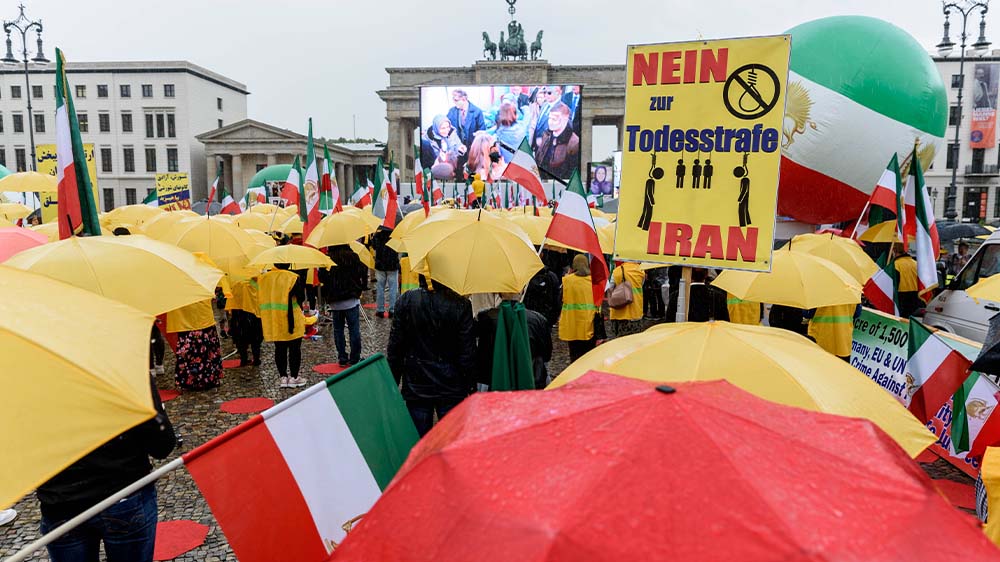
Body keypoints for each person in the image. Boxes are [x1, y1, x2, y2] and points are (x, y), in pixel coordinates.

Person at [37, 374, 175, 562]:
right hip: (124, 494)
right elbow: (162, 444)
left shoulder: (31, 377)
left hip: (61, 502)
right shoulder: (119, 367)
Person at [388, 276, 475, 436]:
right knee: (450, 442)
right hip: (451, 386)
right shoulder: (461, 305)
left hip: (417, 383)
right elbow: (467, 353)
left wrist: (392, 382)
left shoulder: (406, 301)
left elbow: (396, 348)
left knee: (418, 443)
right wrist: (470, 386)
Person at [474, 293, 553, 389]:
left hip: (495, 380)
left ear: (499, 294)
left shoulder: (486, 318)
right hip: (533, 379)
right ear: (521, 292)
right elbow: (546, 354)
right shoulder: (538, 319)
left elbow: (482, 354)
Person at [259, 263, 306, 388]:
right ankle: (294, 377)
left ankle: (283, 377)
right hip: (292, 318)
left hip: (274, 318)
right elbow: (301, 297)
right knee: (295, 349)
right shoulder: (293, 277)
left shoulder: (265, 278)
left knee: (280, 348)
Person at [321, 244, 365, 366]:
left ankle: (342, 357)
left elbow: (322, 278)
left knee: (338, 330)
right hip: (351, 298)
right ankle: (355, 357)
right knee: (354, 329)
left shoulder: (327, 259)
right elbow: (361, 272)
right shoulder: (353, 257)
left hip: (335, 300)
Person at [165, 298, 223, 391]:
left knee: (191, 351)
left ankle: (191, 380)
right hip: (198, 316)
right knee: (204, 349)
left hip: (188, 316)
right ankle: (207, 379)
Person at [560, 255, 599, 361]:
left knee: (574, 355)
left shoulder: (567, 280)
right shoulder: (593, 281)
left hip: (572, 324)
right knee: (588, 356)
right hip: (588, 324)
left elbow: (561, 298)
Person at [536, 102, 580, 180]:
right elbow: (538, 159)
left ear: (565, 119)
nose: (550, 122)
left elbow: (572, 175)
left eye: (554, 119)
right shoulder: (546, 135)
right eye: (549, 118)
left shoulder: (574, 143)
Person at [227, 277, 263, 367]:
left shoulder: (235, 283)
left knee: (240, 338)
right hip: (253, 313)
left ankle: (244, 359)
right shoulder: (255, 281)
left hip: (238, 314)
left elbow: (231, 301)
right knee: (256, 339)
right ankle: (256, 359)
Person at [447, 88, 485, 170]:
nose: (454, 102)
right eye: (453, 99)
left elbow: (482, 132)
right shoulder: (452, 111)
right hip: (457, 149)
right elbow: (447, 128)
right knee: (458, 172)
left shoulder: (477, 112)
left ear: (464, 99)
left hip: (472, 149)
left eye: (456, 100)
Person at [370, 226, 400, 318]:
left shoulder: (377, 235)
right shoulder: (396, 235)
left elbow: (373, 246)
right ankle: (392, 310)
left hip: (380, 265)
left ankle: (380, 310)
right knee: (393, 289)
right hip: (392, 264)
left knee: (380, 288)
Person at [424, 115, 465, 180]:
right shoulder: (427, 139)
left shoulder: (453, 134)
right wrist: (439, 157)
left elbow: (458, 147)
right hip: (436, 173)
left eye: (448, 127)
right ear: (436, 128)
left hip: (452, 171)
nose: (446, 130)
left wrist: (461, 149)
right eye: (443, 128)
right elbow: (427, 160)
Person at [609, 261, 644, 337]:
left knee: (620, 342)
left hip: (619, 312)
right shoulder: (641, 271)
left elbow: (610, 288)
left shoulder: (616, 271)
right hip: (635, 312)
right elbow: (642, 284)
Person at [894, 247, 922, 318]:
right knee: (911, 315)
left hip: (901, 294)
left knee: (902, 316)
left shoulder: (896, 264)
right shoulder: (916, 263)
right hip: (915, 293)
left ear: (896, 252)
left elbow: (895, 280)